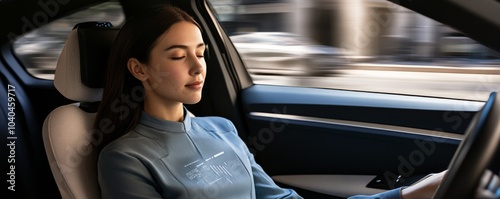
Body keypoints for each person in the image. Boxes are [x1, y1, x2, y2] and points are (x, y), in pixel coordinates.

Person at [94, 4, 444, 199]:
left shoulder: (221, 129)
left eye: (200, 53)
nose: (197, 66)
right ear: (139, 69)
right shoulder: (124, 158)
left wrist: (408, 195)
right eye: (177, 56)